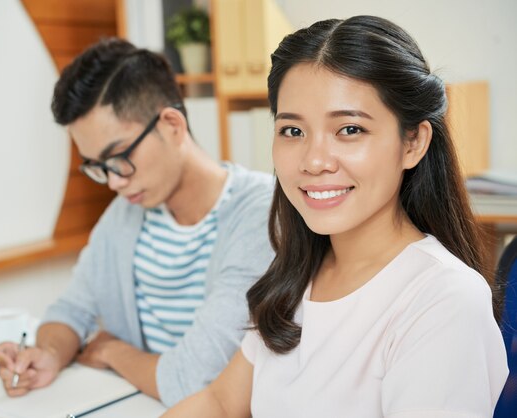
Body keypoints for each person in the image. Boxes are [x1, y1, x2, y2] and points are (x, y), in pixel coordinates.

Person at [163, 15, 509, 417]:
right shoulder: (297, 273)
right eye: (293, 131)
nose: (313, 161)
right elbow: (220, 402)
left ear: (413, 142)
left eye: (349, 129)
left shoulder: (444, 300)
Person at [0, 37, 274, 406]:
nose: (114, 182)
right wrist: (49, 354)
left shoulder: (260, 214)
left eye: (119, 157)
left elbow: (197, 380)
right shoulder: (125, 214)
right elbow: (71, 310)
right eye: (97, 167)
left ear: (172, 125)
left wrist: (111, 353)